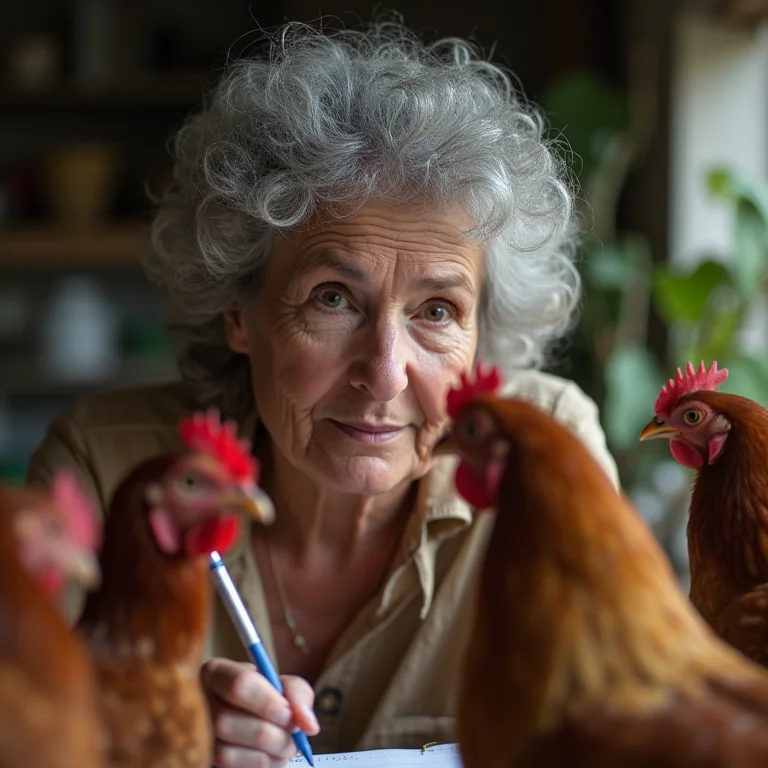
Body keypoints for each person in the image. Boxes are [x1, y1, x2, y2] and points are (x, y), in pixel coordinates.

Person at [27, 16, 619, 768]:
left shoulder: (546, 453)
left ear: (482, 337)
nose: (385, 370)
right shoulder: (109, 475)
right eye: (333, 298)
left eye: (437, 312)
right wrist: (148, 737)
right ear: (239, 311)